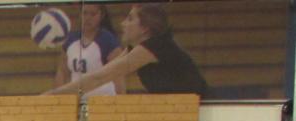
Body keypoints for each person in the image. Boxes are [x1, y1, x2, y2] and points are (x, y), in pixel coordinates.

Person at [49, 3, 209, 97]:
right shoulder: (137, 48)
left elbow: (99, 78)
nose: (123, 24)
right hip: (182, 109)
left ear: (145, 28)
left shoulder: (153, 48)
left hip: (204, 108)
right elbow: (105, 72)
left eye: (130, 19)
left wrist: (50, 96)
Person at [54, 3, 124, 97]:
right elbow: (62, 71)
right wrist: (59, 99)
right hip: (78, 100)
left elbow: (118, 75)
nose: (88, 18)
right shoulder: (70, 40)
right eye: (85, 13)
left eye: (93, 14)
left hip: (104, 99)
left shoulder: (109, 41)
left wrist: (120, 101)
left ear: (101, 15)